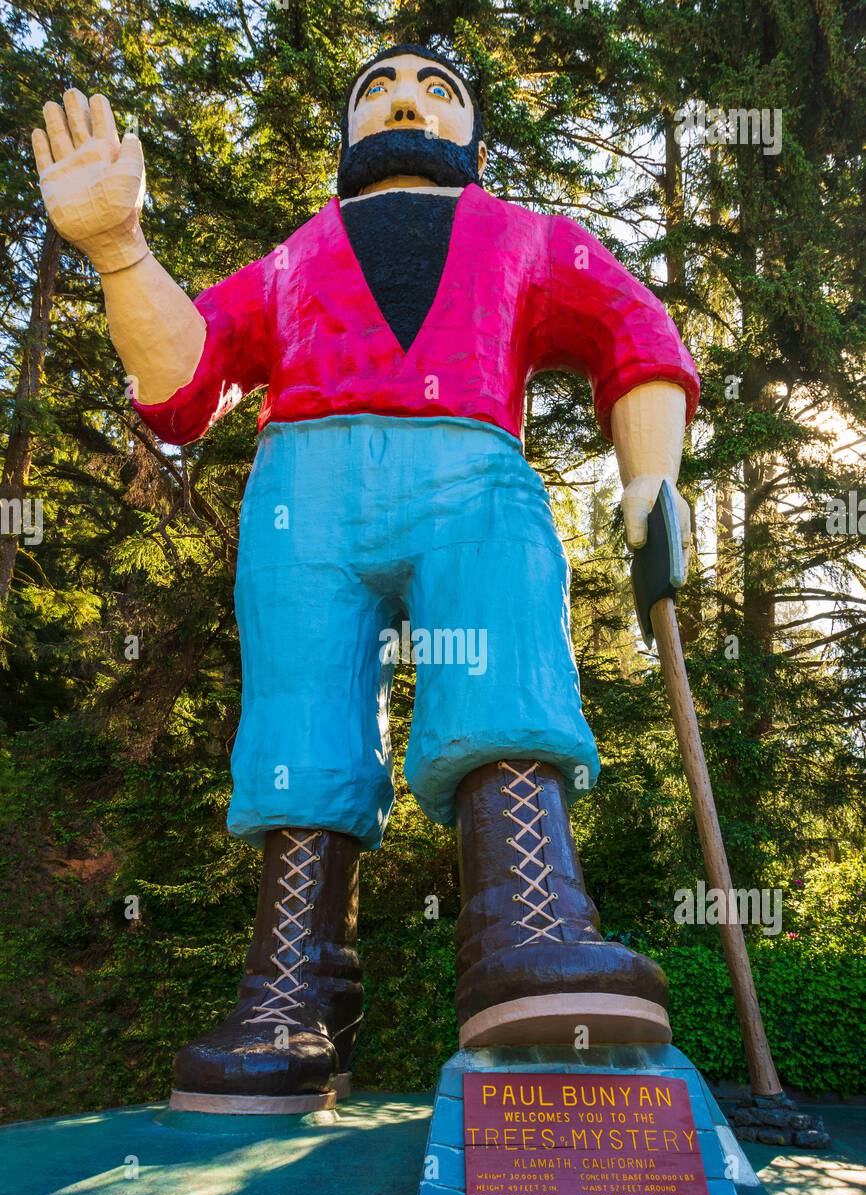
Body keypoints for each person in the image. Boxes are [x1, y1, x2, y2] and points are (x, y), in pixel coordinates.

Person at [32, 45, 700, 1114]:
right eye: (377, 89)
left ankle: (527, 916)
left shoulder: (528, 238)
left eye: (439, 90)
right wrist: (119, 249)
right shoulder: (294, 259)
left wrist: (649, 480)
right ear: (347, 133)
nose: (403, 98)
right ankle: (291, 988)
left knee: (501, 657)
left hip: (471, 470)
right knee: (299, 713)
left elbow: (632, 329)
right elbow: (184, 373)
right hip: (307, 487)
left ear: (470, 134)